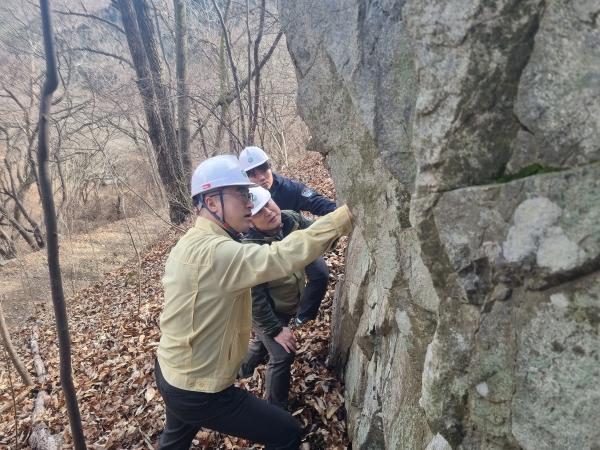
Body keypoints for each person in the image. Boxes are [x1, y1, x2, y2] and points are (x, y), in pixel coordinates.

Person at [155, 154, 352, 450]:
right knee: (286, 432)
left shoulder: (189, 243)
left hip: (171, 371)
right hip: (199, 389)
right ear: (212, 202)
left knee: (174, 442)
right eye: (241, 195)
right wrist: (344, 216)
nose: (250, 203)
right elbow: (281, 257)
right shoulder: (216, 253)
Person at [239, 146, 336, 325]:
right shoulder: (241, 204)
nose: (261, 177)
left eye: (263, 168)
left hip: (295, 241)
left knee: (320, 273)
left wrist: (339, 212)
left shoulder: (289, 188)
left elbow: (315, 201)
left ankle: (304, 317)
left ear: (270, 166)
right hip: (264, 254)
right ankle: (274, 327)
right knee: (268, 295)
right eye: (252, 174)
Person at [239, 186, 316, 410]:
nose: (269, 212)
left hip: (284, 301)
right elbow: (255, 301)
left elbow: (316, 234)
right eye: (259, 212)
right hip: (263, 311)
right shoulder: (249, 251)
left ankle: (240, 371)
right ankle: (276, 410)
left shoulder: (289, 220)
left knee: (262, 344)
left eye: (268, 204)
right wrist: (275, 329)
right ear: (250, 222)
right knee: (282, 354)